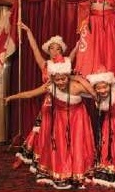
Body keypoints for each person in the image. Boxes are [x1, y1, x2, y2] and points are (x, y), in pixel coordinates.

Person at [5, 58, 96, 190]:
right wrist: (11, 97)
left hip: (77, 119)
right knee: (60, 146)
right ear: (53, 78)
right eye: (57, 80)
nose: (60, 82)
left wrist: (80, 79)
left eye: (63, 79)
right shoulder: (50, 86)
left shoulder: (76, 87)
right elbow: (30, 94)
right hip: (60, 120)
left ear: (68, 77)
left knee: (77, 145)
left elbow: (95, 93)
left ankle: (77, 173)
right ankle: (62, 172)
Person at [13, 26, 78, 168]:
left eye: (58, 49)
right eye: (52, 48)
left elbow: (76, 50)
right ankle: (27, 156)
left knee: (62, 131)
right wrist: (29, 32)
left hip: (64, 101)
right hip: (49, 101)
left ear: (62, 51)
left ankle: (61, 159)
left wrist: (83, 40)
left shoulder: (67, 62)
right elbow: (34, 48)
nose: (55, 51)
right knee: (40, 129)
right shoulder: (45, 64)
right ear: (48, 50)